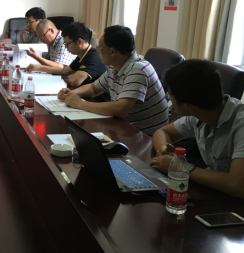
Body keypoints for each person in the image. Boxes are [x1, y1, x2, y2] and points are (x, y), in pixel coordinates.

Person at [151, 60, 244, 197]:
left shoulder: (240, 124)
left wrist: (180, 167)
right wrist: (164, 150)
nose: (170, 101)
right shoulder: (199, 113)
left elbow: (237, 185)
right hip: (217, 193)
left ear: (187, 106)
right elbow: (162, 132)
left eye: (170, 96)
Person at [58, 25, 169, 135]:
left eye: (99, 46)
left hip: (145, 136)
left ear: (112, 52)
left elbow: (120, 109)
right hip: (126, 129)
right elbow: (93, 88)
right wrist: (71, 93)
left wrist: (80, 104)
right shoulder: (115, 67)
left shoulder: (138, 70)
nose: (97, 50)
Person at [25, 22, 109, 102]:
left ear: (79, 41)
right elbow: (64, 71)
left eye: (67, 44)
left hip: (97, 102)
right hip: (85, 97)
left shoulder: (92, 57)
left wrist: (66, 78)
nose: (65, 47)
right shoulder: (82, 54)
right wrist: (39, 67)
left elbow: (74, 81)